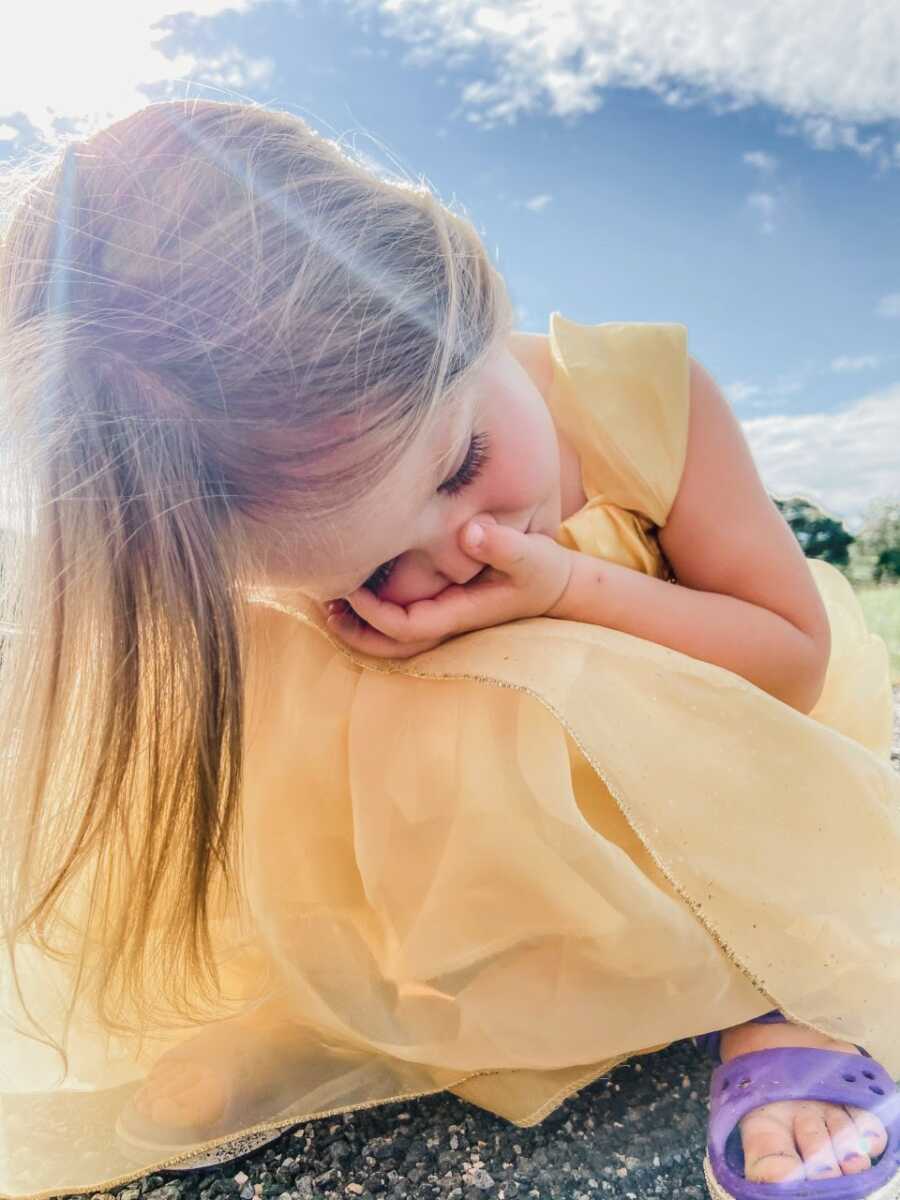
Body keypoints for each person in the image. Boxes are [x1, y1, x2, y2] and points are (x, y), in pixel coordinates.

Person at [0, 98, 897, 1200]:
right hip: (486, 860)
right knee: (312, 690)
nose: (458, 559)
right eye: (370, 570)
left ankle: (781, 1001)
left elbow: (789, 662)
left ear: (467, 288)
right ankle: (325, 1014)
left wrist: (569, 588)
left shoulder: (648, 404)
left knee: (586, 685)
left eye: (462, 462)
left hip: (714, 794)